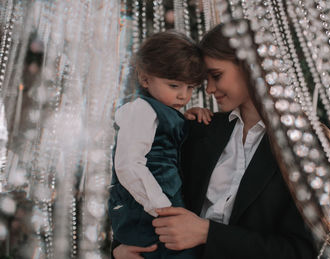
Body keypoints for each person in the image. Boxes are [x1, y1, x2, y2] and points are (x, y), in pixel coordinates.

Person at [112, 23, 317, 259]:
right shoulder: (200, 129)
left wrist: (208, 233)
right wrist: (119, 249)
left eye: (216, 76)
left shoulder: (301, 145)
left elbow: (301, 251)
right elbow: (146, 177)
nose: (208, 89)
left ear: (250, 66)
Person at [108, 30, 212, 259]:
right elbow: (127, 164)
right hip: (147, 205)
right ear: (145, 79)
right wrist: (162, 208)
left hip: (162, 201)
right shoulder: (141, 110)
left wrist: (188, 119)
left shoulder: (164, 111)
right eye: (174, 86)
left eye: (190, 88)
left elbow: (168, 139)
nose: (183, 96)